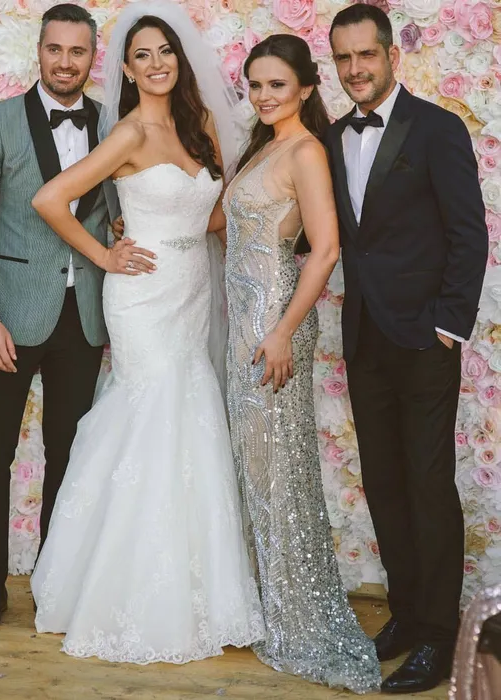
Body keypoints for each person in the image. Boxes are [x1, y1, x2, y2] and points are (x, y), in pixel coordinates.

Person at [30, 1, 264, 664]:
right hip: (141, 298)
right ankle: (124, 591)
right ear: (128, 71)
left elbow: (215, 214)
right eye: (142, 56)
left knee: (190, 419)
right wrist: (106, 255)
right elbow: (49, 199)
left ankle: (197, 590)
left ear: (178, 60)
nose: (157, 63)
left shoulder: (200, 127)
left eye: (165, 51)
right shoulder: (129, 133)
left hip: (191, 292)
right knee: (151, 417)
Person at [299, 4, 487, 693]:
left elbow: (469, 233)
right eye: (343, 59)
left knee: (428, 484)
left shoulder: (436, 128)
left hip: (425, 338)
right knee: (382, 481)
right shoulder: (330, 137)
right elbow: (329, 231)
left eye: (365, 55)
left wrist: (449, 325)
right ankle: (407, 615)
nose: (355, 70)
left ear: (390, 56)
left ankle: (439, 634)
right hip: (364, 337)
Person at [0, 3, 136, 627]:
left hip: (83, 315)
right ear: (38, 51)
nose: (65, 62)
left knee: (69, 453)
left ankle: (53, 580)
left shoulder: (114, 125)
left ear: (92, 58)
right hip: (9, 316)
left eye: (77, 51)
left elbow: (112, 211)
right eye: (55, 49)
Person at [218, 34, 381, 693]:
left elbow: (326, 248)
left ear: (307, 88)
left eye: (277, 85)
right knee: (258, 469)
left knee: (279, 471)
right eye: (255, 85)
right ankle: (270, 604)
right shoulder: (264, 146)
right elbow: (231, 226)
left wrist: (283, 330)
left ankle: (299, 619)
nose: (263, 96)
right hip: (243, 326)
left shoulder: (307, 150)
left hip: (273, 325)